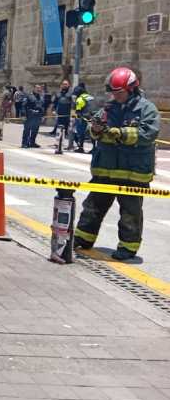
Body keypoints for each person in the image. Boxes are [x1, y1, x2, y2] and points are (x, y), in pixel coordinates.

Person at [73, 67, 158, 261]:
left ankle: (128, 248)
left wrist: (121, 133)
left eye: (118, 93)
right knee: (92, 208)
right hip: (105, 170)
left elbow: (149, 133)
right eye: (112, 92)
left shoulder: (146, 109)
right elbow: (93, 129)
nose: (115, 96)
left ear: (132, 89)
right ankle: (83, 239)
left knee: (130, 213)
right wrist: (94, 129)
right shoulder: (109, 108)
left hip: (132, 174)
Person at [71, 83, 97, 153]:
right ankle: (94, 148)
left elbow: (78, 111)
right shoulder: (91, 97)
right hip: (93, 117)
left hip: (84, 118)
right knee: (93, 133)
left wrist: (76, 115)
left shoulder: (80, 99)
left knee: (80, 133)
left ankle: (81, 147)